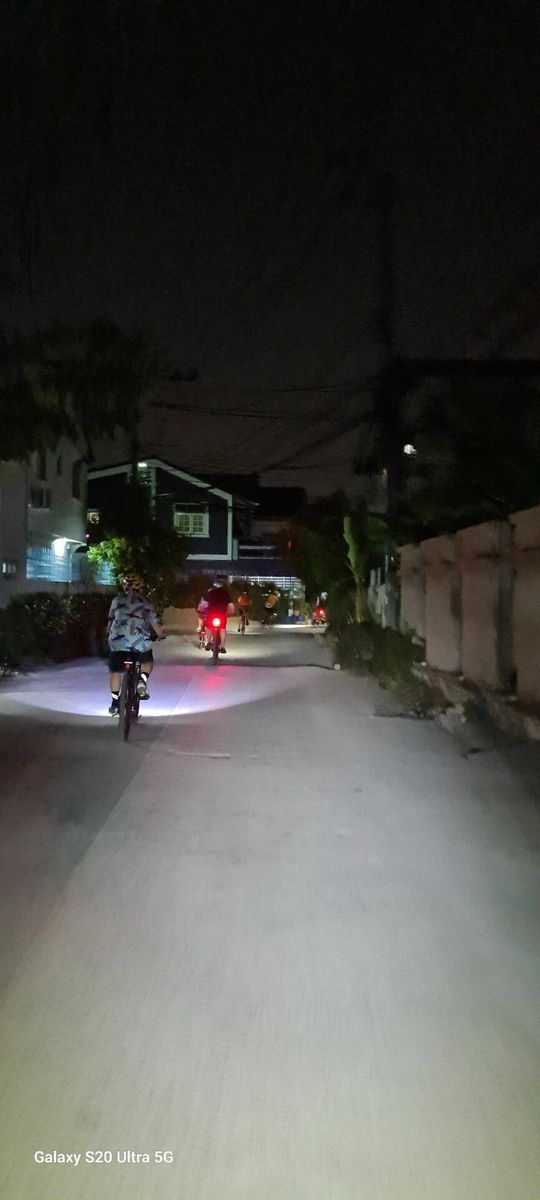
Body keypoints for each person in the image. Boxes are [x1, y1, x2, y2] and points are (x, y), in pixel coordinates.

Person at [107, 572, 164, 715]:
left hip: (118, 643)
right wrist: (161, 635)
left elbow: (110, 620)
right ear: (141, 587)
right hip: (140, 643)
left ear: (124, 586)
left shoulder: (116, 600)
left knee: (115, 671)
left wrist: (108, 634)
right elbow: (155, 624)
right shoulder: (146, 602)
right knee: (147, 660)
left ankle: (114, 703)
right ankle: (142, 681)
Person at [199, 576, 234, 653]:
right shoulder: (225, 593)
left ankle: (209, 642)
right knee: (223, 630)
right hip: (222, 615)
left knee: (208, 627)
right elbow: (231, 605)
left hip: (211, 614)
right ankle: (223, 647)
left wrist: (201, 611)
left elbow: (203, 604)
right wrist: (232, 612)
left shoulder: (210, 592)